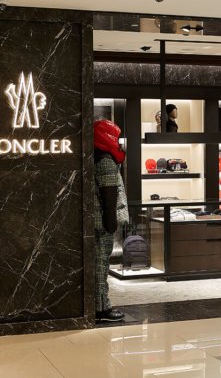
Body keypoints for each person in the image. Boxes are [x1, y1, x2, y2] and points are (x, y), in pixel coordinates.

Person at [93, 119, 129, 321]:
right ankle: (101, 308)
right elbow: (109, 195)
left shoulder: (95, 156)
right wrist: (111, 224)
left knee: (99, 264)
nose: (118, 141)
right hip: (102, 223)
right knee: (101, 265)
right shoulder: (106, 160)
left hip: (97, 220)